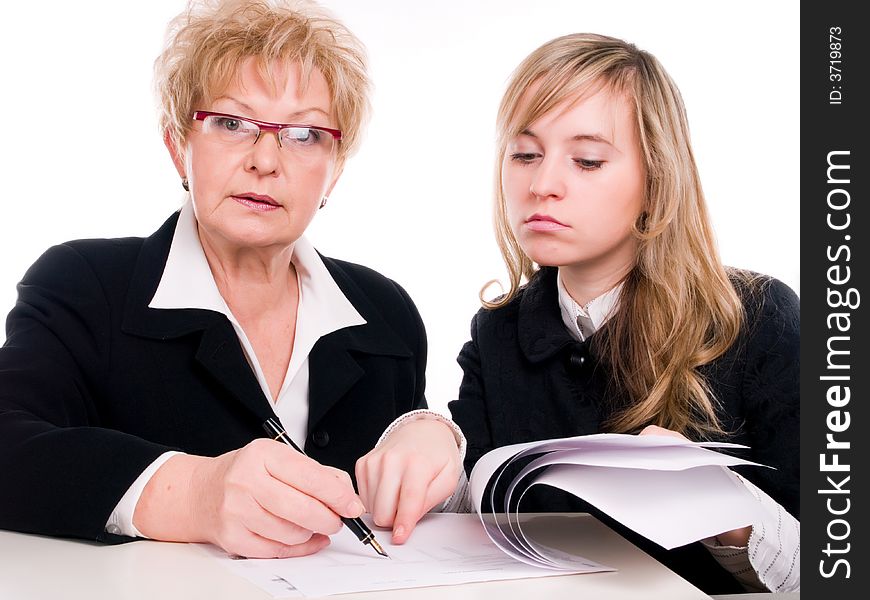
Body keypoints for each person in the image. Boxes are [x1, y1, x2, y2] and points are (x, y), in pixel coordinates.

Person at [0, 0, 461, 559]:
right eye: (231, 123)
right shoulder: (84, 283)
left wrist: (437, 438)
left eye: (305, 134)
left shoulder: (385, 310)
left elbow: (405, 502)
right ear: (179, 147)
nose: (266, 160)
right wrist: (193, 494)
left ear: (334, 168)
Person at [446, 33, 800, 594]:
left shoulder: (758, 318)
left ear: (656, 179)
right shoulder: (499, 329)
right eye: (525, 154)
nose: (542, 186)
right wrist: (427, 440)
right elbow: (465, 525)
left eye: (587, 161)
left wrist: (726, 512)